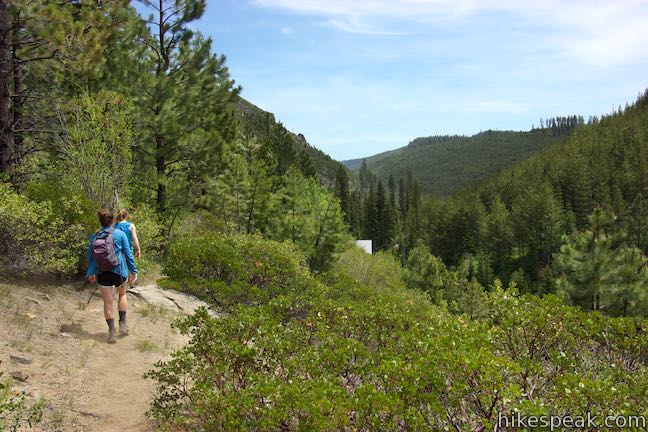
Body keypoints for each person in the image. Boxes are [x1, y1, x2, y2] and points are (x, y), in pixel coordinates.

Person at [86, 209, 137, 343]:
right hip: (119, 272)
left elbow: (91, 258)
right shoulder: (120, 234)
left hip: (102, 273)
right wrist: (133, 271)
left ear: (101, 222)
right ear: (113, 221)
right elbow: (128, 254)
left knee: (108, 303)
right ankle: (123, 324)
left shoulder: (95, 236)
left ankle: (112, 332)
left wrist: (90, 273)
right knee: (122, 295)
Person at [114, 208, 141, 288]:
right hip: (127, 248)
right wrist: (138, 249)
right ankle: (131, 284)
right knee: (129, 264)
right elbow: (134, 237)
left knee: (119, 265)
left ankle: (123, 284)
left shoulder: (115, 225)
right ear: (126, 216)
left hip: (117, 249)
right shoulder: (130, 225)